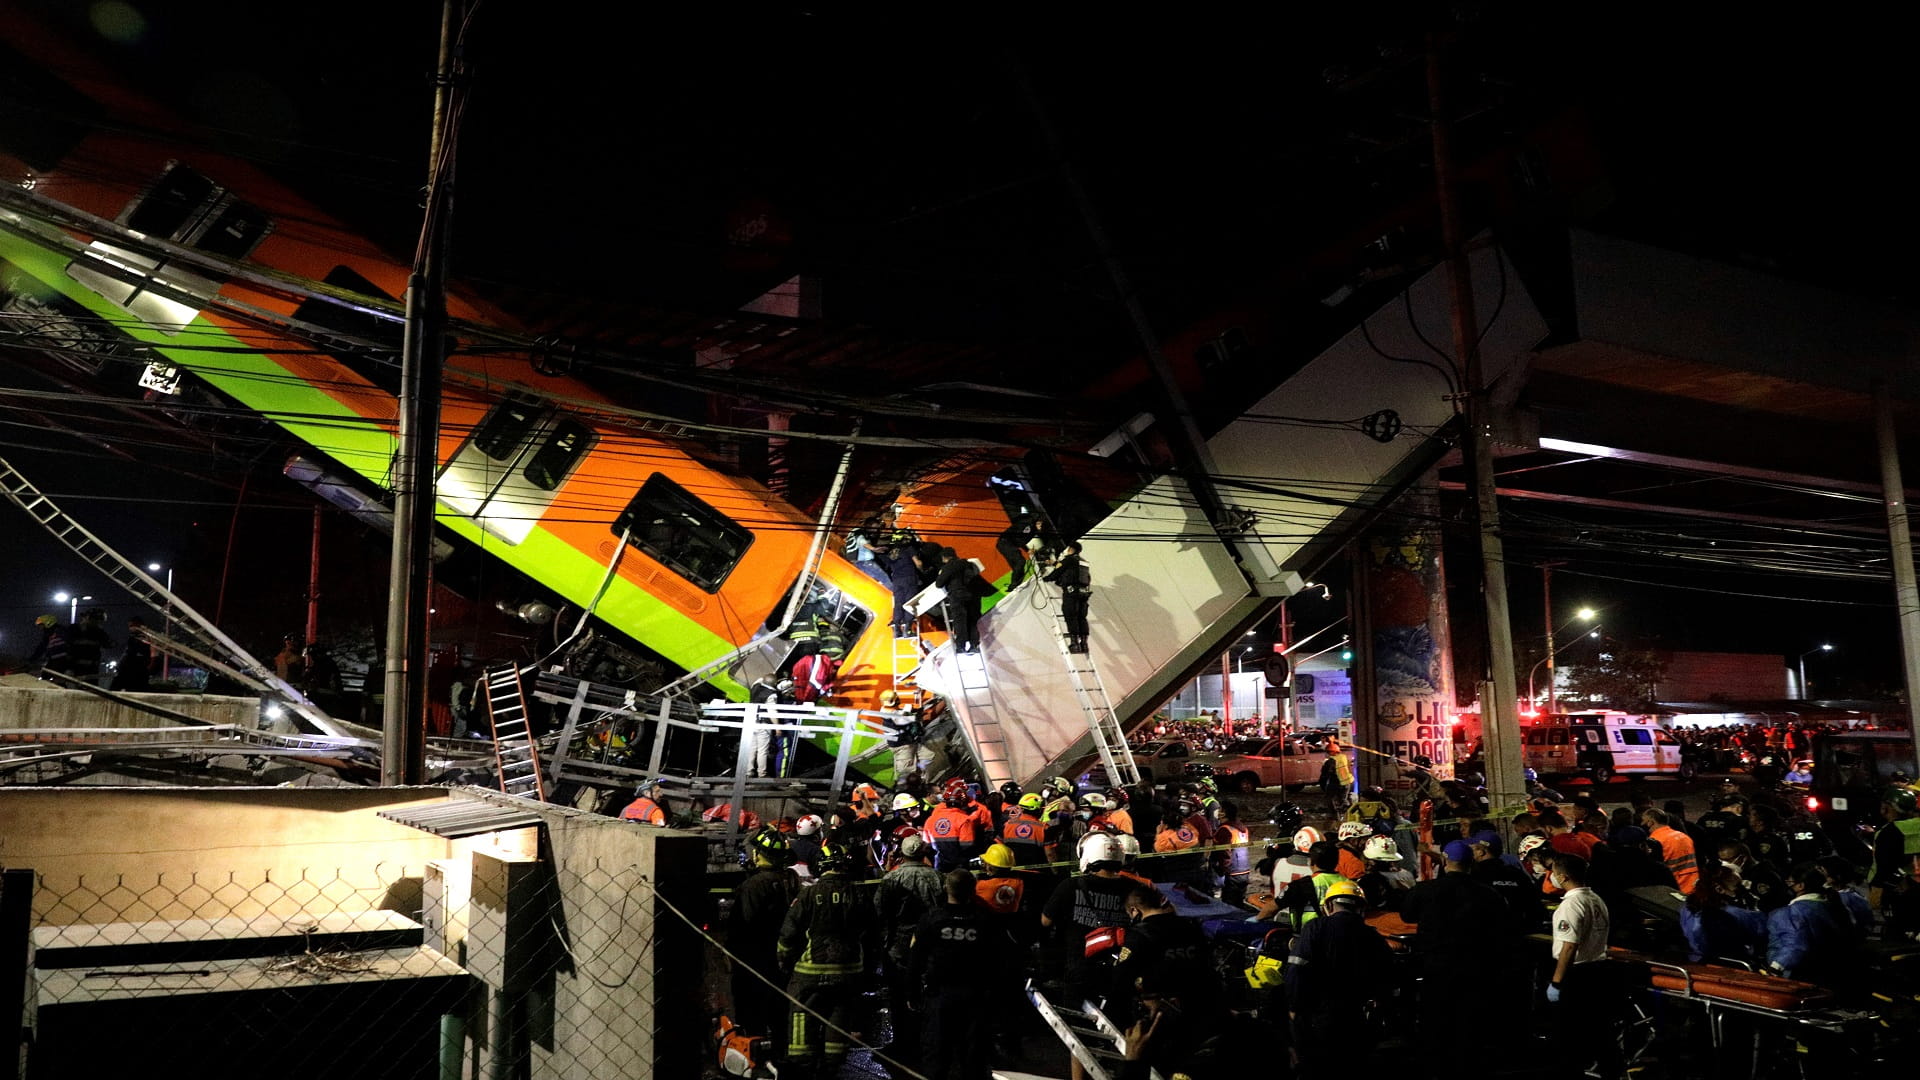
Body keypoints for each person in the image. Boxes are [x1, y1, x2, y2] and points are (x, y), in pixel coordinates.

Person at [1400, 839, 1515, 1051]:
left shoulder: (1425, 890)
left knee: (1436, 1014)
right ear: (1472, 863)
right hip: (1476, 964)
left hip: (1436, 964)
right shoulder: (1488, 893)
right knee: (1470, 1016)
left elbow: (1407, 915)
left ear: (1445, 861)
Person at [778, 842, 873, 1079]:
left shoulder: (809, 894)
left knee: (802, 1015)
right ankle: (833, 1067)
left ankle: (802, 1066)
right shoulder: (860, 893)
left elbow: (788, 934)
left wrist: (783, 961)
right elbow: (872, 933)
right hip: (849, 971)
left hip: (811, 971)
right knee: (840, 1015)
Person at [1284, 878, 1393, 1078]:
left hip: (1319, 1015)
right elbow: (1388, 977)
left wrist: (1293, 1006)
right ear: (1361, 908)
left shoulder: (1315, 928)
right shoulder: (1372, 936)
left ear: (1328, 905)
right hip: (1357, 1019)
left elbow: (1297, 969)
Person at [910, 869, 1004, 1080]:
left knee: (937, 1053)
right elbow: (998, 959)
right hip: (975, 995)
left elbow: (916, 959)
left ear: (946, 888)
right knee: (973, 1056)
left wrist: (912, 993)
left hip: (940, 995)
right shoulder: (985, 919)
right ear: (973, 889)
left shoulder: (932, 918)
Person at [1545, 854, 1626, 1080]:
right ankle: (1612, 1071)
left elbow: (1569, 947)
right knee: (1600, 1030)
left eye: (1554, 872)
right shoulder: (1596, 899)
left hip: (1577, 975)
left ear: (1563, 876)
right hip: (1597, 969)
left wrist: (1556, 981)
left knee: (1569, 1033)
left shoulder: (1571, 905)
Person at [875, 834, 943, 1076]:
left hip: (899, 943)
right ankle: (927, 1041)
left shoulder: (892, 877)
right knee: (928, 991)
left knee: (898, 993)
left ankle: (902, 1042)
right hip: (930, 941)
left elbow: (880, 910)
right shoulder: (935, 876)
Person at [729, 826, 800, 1036]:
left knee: (750, 1007)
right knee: (778, 1008)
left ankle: (753, 1047)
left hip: (755, 958)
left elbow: (743, 924)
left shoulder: (753, 885)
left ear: (758, 854)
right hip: (783, 954)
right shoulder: (791, 878)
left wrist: (732, 953)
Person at [1766, 862, 1860, 984]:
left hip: (1802, 976)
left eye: (1789, 882)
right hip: (1838, 971)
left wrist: (1776, 967)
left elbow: (1796, 946)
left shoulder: (1791, 912)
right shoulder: (1835, 905)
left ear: (1800, 886)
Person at [1679, 864, 1768, 964]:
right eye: (1737, 886)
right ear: (1719, 889)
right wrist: (1755, 908)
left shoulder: (1687, 907)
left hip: (1695, 960)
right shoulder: (1735, 914)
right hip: (1732, 963)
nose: (1742, 890)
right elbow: (1762, 932)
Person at [925, 778, 992, 872]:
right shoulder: (964, 819)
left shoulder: (933, 816)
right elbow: (968, 846)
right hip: (961, 862)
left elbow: (927, 843)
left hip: (941, 864)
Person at [933, 548, 990, 654]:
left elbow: (939, 584)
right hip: (973, 595)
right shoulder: (967, 563)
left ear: (945, 558)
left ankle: (961, 646)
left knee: (960, 621)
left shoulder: (948, 566)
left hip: (957, 596)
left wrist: (941, 573)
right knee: (973, 621)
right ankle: (974, 645)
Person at [1044, 540, 1093, 653]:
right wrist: (1054, 563)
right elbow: (1071, 569)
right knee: (1081, 618)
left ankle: (1074, 643)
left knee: (1071, 616)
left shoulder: (1069, 559)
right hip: (1083, 593)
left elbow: (1059, 571)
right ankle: (1084, 644)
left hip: (1072, 592)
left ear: (1071, 549)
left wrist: (1046, 578)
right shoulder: (1083, 562)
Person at [1642, 808, 1700, 894]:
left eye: (1644, 821)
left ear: (1651, 822)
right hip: (1693, 885)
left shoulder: (1655, 841)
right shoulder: (1684, 837)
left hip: (1675, 889)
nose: (1642, 824)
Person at [748, 674, 795, 778]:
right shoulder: (771, 695)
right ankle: (762, 774)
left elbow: (759, 679)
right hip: (763, 725)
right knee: (762, 751)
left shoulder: (755, 687)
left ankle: (748, 772)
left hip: (751, 722)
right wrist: (777, 727)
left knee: (751, 749)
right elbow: (772, 712)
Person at [995, 507, 1040, 589]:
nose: (1041, 526)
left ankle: (1015, 587)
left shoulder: (1032, 529)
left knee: (1019, 568)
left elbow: (1020, 540)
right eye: (1040, 524)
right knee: (1020, 561)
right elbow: (1019, 538)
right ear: (1036, 522)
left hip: (1006, 544)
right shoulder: (1028, 526)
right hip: (1006, 543)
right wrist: (1027, 550)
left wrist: (1027, 550)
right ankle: (1014, 585)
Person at [108, 616, 152, 692]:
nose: (131, 628)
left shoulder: (145, 639)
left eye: (132, 626)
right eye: (130, 626)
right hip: (131, 670)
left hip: (136, 671)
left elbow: (130, 654)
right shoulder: (133, 638)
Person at [66, 608, 111, 682]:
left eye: (100, 621)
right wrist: (69, 668)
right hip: (77, 668)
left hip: (92, 669)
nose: (98, 623)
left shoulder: (99, 632)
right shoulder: (75, 629)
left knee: (90, 691)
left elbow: (108, 644)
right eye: (96, 620)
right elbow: (68, 648)